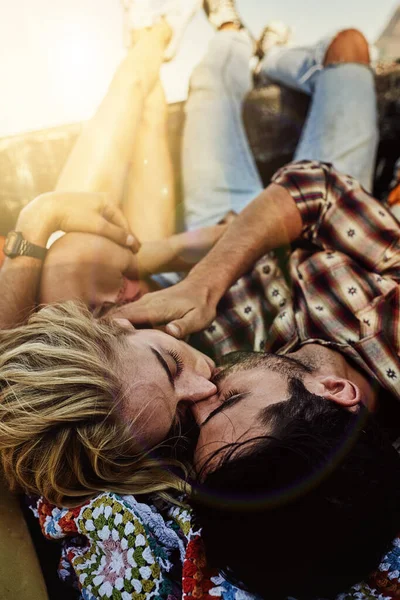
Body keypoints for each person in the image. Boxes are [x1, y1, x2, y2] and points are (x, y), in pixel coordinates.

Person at [1, 1, 400, 599]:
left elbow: (28, 373)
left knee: (210, 78)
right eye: (227, 395)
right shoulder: (375, 345)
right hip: (292, 211)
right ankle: (269, 50)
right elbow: (316, 189)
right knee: (347, 48)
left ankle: (234, 39)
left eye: (195, 411)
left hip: (217, 215)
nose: (205, 387)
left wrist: (38, 227)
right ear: (334, 392)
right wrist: (198, 281)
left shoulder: (221, 448)